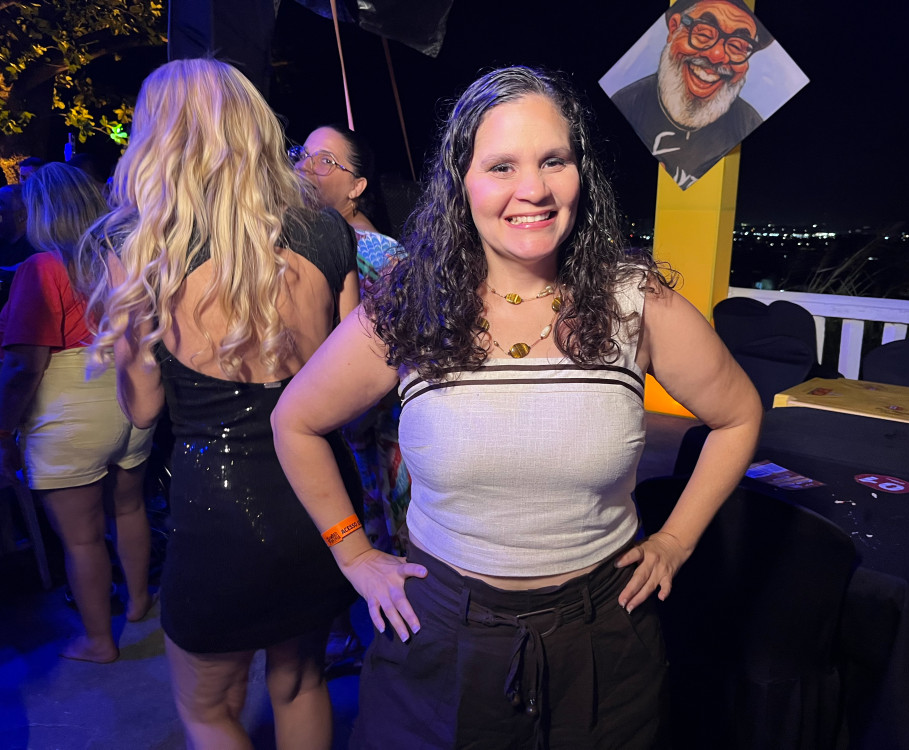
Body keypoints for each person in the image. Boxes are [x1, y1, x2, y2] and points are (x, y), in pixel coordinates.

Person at [272, 66, 761, 748]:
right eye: (501, 166)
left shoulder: (635, 302)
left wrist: (676, 541)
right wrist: (353, 553)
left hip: (603, 635)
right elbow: (294, 422)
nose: (533, 189)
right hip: (441, 631)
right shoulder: (410, 306)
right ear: (461, 182)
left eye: (553, 161)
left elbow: (738, 416)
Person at [87, 59, 362, 748]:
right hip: (322, 497)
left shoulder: (141, 247)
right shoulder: (327, 231)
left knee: (207, 708)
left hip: (217, 510)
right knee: (301, 682)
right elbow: (349, 392)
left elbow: (143, 409)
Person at [0, 163, 155, 663]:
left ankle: (98, 641)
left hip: (71, 411)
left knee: (82, 540)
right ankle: (138, 602)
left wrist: (3, 430)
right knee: (129, 508)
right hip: (129, 398)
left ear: (41, 212)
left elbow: (24, 366)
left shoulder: (42, 268)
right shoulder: (118, 260)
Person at [293, 125, 410, 554]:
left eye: (325, 161)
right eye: (302, 155)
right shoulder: (306, 246)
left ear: (356, 187)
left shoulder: (384, 255)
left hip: (380, 435)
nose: (306, 167)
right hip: (336, 430)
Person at [611, 0, 771, 189]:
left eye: (737, 46)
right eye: (704, 34)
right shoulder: (626, 104)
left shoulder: (748, 124)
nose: (717, 55)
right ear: (674, 28)